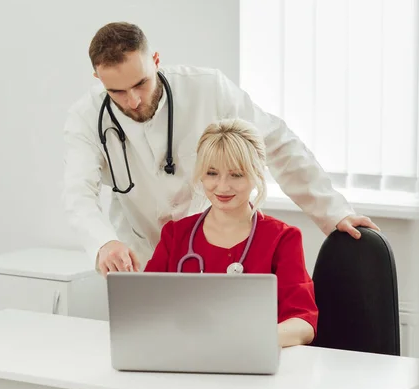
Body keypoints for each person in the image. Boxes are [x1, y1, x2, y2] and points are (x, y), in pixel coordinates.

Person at [62, 21, 379, 277]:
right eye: (117, 91)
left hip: (211, 247)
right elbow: (79, 193)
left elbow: (277, 143)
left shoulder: (207, 87)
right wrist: (104, 243)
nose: (133, 100)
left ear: (156, 61)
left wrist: (334, 212)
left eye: (141, 84)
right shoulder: (86, 116)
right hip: (139, 256)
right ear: (97, 78)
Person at [144, 119, 317, 348]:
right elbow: (145, 308)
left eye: (236, 175)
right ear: (201, 175)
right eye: (212, 173)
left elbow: (303, 323)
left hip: (252, 360)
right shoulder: (176, 235)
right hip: (185, 356)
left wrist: (243, 341)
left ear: (256, 174)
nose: (223, 187)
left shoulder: (282, 239)